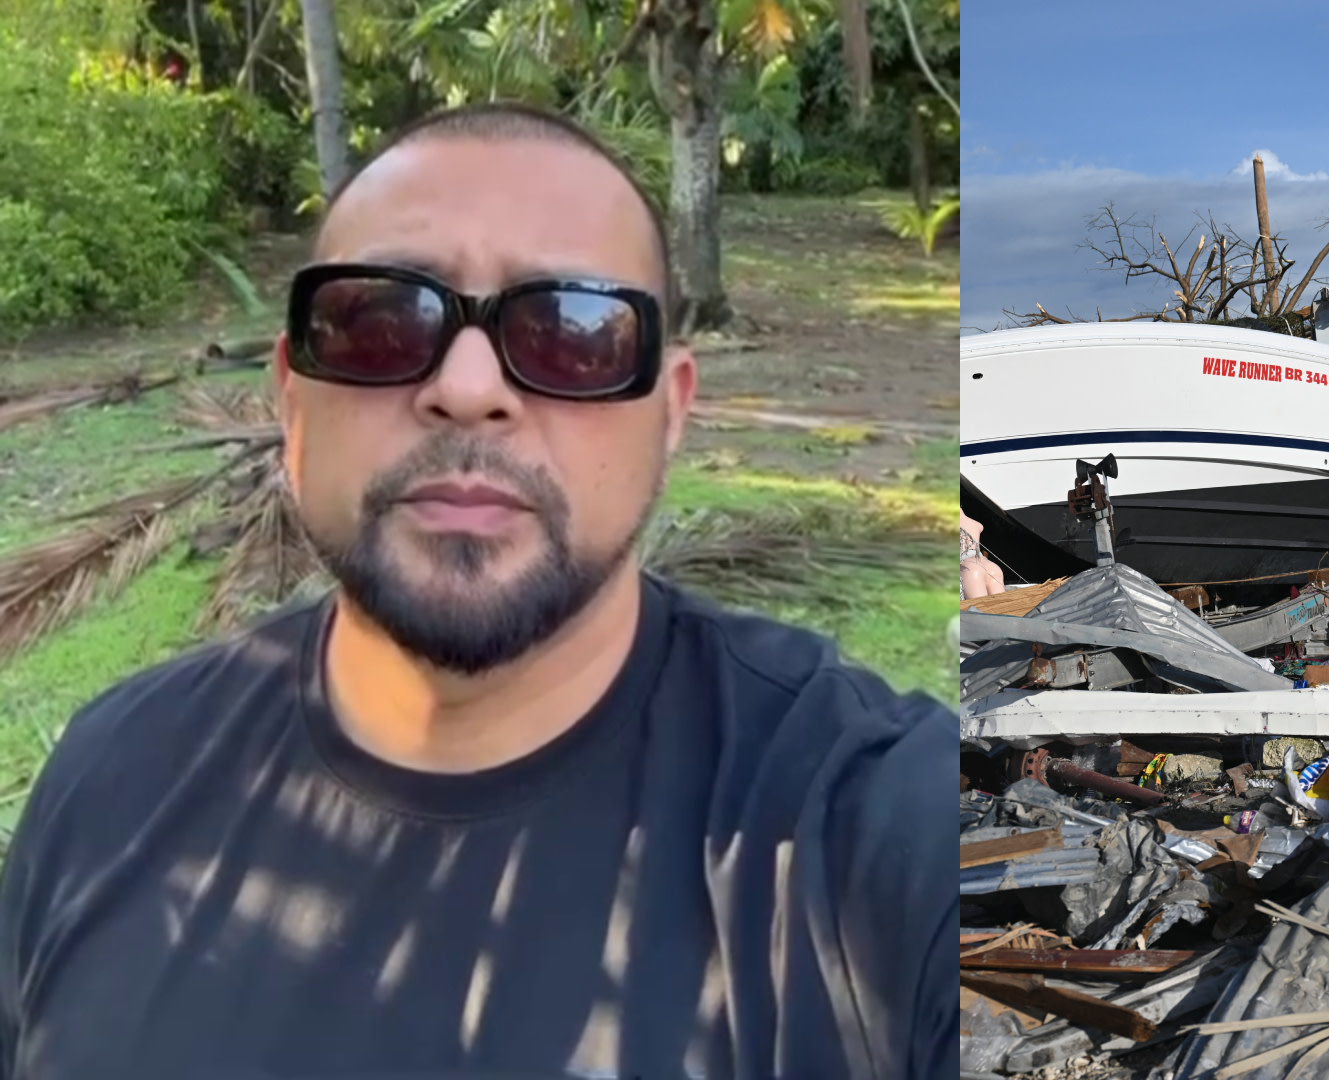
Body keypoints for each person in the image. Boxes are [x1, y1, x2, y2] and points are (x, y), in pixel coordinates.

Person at [0, 102, 958, 1080]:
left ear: (669, 416)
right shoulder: (109, 784)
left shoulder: (887, 837)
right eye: (378, 322)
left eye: (572, 333)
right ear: (291, 403)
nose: (467, 385)